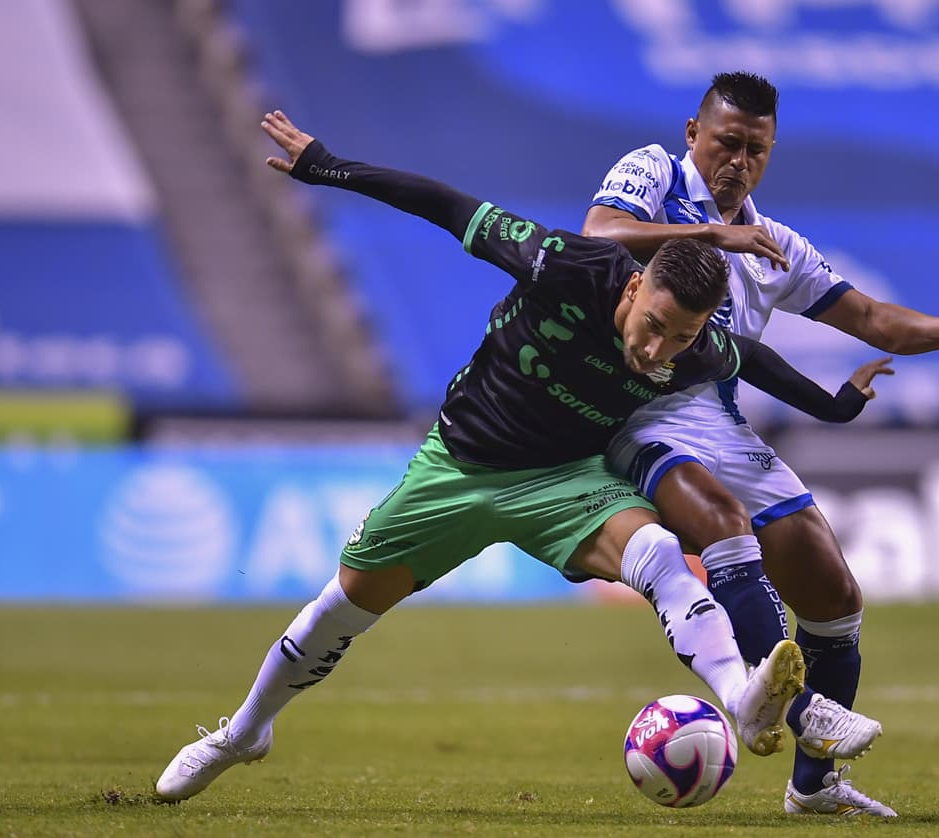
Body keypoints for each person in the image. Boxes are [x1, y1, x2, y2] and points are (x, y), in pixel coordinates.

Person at [154, 110, 895, 803]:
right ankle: (244, 730)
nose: (658, 351)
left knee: (664, 558)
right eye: (655, 326)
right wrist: (328, 166)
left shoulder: (693, 346)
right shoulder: (561, 263)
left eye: (680, 339)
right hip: (459, 467)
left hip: (565, 481)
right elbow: (446, 205)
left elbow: (755, 359)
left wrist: (835, 405)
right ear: (635, 284)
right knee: (339, 611)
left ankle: (740, 696)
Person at [582, 71, 939, 817]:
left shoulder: (774, 245)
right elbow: (598, 234)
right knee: (720, 521)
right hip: (635, 405)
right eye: (726, 142)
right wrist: (711, 234)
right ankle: (794, 712)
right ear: (695, 133)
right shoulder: (654, 173)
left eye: (757, 149)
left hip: (719, 419)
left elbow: (874, 319)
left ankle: (814, 785)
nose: (738, 161)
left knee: (833, 592)